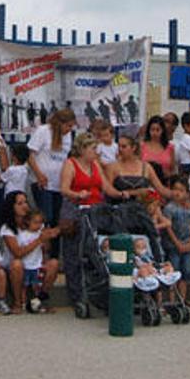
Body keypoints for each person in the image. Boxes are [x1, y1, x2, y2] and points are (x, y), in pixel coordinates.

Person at [59, 133, 127, 315]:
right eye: (93, 149)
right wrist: (78, 194)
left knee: (99, 249)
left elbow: (106, 188)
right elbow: (64, 189)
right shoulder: (71, 164)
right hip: (78, 210)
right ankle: (77, 295)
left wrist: (122, 194)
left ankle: (102, 292)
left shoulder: (95, 165)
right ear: (82, 150)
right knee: (76, 253)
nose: (96, 153)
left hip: (97, 211)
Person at [0, 191, 60, 314]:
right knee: (17, 264)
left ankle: (39, 301)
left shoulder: (37, 224)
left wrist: (47, 237)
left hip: (34, 264)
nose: (24, 205)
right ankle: (17, 302)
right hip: (14, 267)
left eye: (25, 202)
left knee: (54, 263)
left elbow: (46, 249)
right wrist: (39, 240)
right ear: (12, 207)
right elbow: (17, 253)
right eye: (19, 203)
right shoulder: (7, 228)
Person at [28, 109, 76, 228]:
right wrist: (39, 175)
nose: (69, 129)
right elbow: (30, 155)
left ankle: (54, 246)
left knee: (56, 219)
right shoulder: (43, 131)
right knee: (46, 217)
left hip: (58, 184)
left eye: (72, 126)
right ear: (60, 123)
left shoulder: (68, 135)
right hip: (43, 182)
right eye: (68, 126)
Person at [162, 176, 190, 302]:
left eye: (181, 190)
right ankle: (172, 300)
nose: (178, 193)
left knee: (186, 272)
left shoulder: (189, 208)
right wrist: (177, 244)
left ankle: (182, 299)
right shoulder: (169, 208)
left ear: (187, 193)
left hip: (187, 245)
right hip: (173, 246)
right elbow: (168, 228)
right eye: (175, 189)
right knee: (173, 271)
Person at [105, 135, 171, 202]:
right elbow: (108, 190)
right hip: (120, 205)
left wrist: (174, 194)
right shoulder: (112, 167)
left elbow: (161, 189)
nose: (120, 149)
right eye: (119, 147)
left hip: (143, 206)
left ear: (133, 148)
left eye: (124, 146)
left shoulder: (146, 167)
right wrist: (131, 193)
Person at [18, 210, 51, 313]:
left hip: (37, 264)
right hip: (26, 264)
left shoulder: (40, 235)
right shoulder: (23, 235)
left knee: (36, 286)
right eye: (35, 222)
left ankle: (37, 304)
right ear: (28, 222)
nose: (38, 225)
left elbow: (46, 249)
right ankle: (23, 304)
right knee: (24, 286)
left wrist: (45, 239)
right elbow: (20, 250)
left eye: (40, 223)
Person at [141, 115, 175, 180]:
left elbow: (173, 169)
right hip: (145, 182)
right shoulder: (142, 146)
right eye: (152, 130)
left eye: (158, 130)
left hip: (164, 182)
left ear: (162, 131)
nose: (155, 133)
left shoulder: (170, 147)